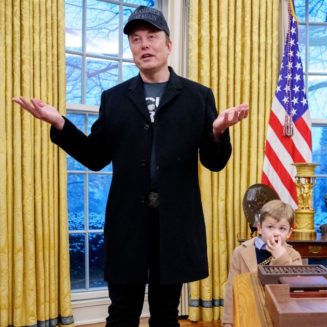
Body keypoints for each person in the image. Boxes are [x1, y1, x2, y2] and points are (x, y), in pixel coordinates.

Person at [12, 6, 249, 326]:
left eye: (152, 37)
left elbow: (214, 162)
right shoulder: (114, 99)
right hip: (127, 223)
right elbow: (95, 157)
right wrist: (59, 123)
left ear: (169, 45)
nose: (144, 45)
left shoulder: (198, 97)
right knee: (123, 312)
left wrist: (218, 131)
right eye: (136, 39)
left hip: (175, 223)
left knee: (165, 314)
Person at [222, 200, 302, 326]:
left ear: (289, 233)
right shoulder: (240, 252)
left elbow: (295, 289)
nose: (276, 233)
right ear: (259, 228)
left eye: (282, 228)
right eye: (270, 227)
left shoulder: (294, 255)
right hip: (248, 314)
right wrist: (228, 321)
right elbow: (231, 289)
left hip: (278, 317)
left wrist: (280, 257)